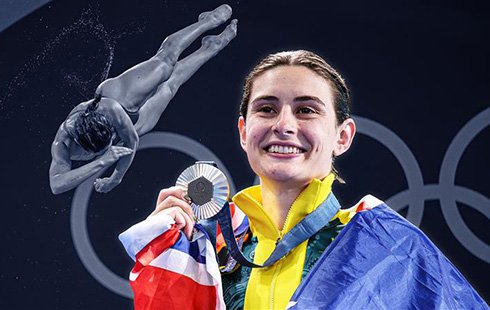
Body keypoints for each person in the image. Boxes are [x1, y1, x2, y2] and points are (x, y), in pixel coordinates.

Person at [119, 50, 488, 309]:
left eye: (306, 110)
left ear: (342, 137)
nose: (284, 125)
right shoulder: (210, 255)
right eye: (267, 108)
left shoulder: (389, 249)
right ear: (244, 132)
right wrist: (167, 257)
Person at [49, 4, 237, 194]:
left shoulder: (110, 108)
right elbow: (56, 185)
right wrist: (103, 162)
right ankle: (211, 47)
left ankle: (208, 21)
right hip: (129, 130)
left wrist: (115, 177)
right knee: (170, 86)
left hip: (121, 98)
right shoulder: (62, 144)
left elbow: (131, 140)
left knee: (165, 62)